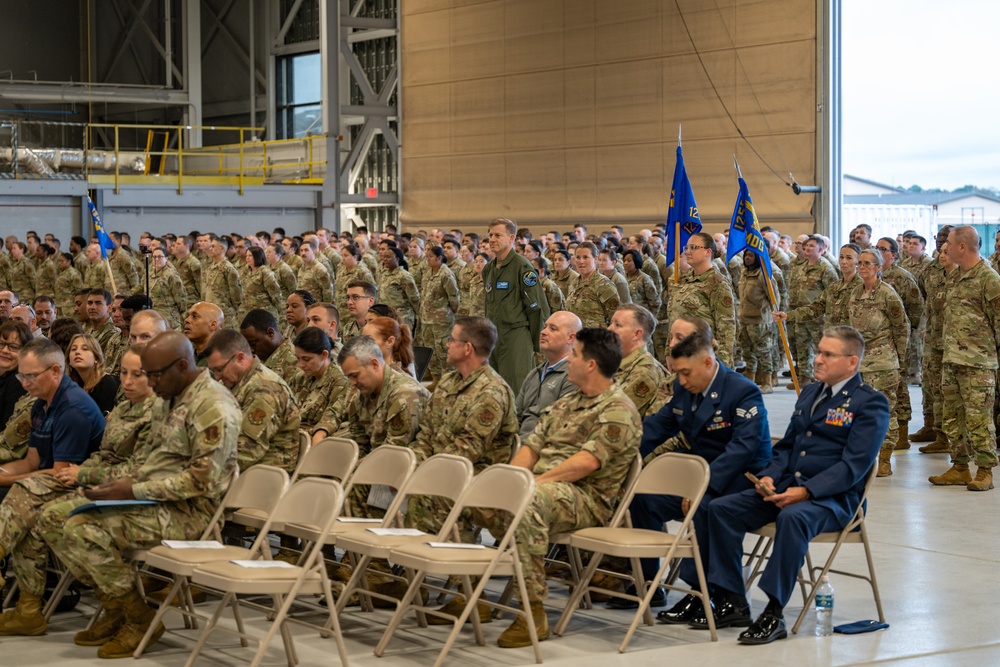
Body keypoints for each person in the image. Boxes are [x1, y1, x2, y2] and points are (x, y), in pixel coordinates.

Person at [39, 331, 241, 658]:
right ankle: (116, 606)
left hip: (189, 512)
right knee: (52, 517)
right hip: (149, 499)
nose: (149, 382)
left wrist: (131, 489)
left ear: (180, 365)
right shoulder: (168, 397)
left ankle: (138, 616)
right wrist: (111, 486)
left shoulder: (213, 406)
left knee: (82, 528)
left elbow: (200, 483)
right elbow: (150, 461)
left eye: (153, 374)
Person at [703, 326, 889, 644]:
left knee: (794, 517)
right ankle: (732, 599)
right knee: (720, 509)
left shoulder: (870, 403)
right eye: (818, 351)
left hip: (835, 501)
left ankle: (773, 613)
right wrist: (770, 476)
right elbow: (788, 447)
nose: (817, 359)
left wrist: (807, 492)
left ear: (852, 361)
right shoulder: (810, 393)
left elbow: (854, 466)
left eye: (827, 354)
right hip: (788, 488)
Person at [484, 327, 641, 648]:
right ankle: (466, 592)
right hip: (545, 491)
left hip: (587, 499)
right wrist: (509, 482)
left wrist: (531, 485)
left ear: (592, 364)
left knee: (529, 503)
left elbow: (586, 463)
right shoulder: (567, 402)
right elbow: (532, 447)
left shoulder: (618, 409)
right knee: (478, 494)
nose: (570, 360)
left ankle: (532, 612)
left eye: (576, 355)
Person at [0, 345, 155, 638]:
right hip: (88, 481)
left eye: (138, 374)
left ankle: (128, 612)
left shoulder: (74, 407)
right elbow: (34, 461)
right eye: (123, 373)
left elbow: (139, 470)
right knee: (32, 512)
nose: (127, 381)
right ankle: (29, 609)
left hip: (111, 490)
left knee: (35, 502)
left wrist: (84, 472)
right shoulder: (122, 409)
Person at [624, 324, 771, 617]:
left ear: (708, 362)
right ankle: (648, 583)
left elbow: (742, 449)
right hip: (698, 476)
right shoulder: (684, 387)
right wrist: (618, 454)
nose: (680, 380)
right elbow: (657, 427)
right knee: (642, 498)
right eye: (677, 373)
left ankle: (715, 594)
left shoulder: (742, 391)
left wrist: (701, 486)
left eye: (686, 373)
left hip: (738, 478)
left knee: (705, 507)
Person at [929, 226, 1000, 491]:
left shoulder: (989, 279)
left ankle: (984, 471)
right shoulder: (955, 276)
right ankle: (959, 467)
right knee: (952, 418)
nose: (944, 247)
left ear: (962, 247)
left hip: (978, 364)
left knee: (979, 420)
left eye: (949, 243)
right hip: (952, 360)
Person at [0, 338, 105, 501]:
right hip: (42, 481)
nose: (25, 384)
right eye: (22, 377)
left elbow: (60, 474)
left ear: (55, 371)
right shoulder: (41, 403)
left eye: (31, 376)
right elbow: (31, 462)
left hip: (70, 490)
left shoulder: (73, 409)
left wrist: (3, 480)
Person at [312, 335, 430, 463]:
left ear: (374, 364)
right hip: (377, 462)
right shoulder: (362, 392)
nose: (352, 383)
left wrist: (349, 471)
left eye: (355, 375)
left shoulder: (404, 395)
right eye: (348, 377)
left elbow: (392, 454)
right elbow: (359, 442)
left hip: (403, 467)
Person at [204, 329, 301, 474]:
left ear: (240, 358)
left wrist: (201, 465)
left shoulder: (265, 389)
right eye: (214, 371)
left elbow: (246, 452)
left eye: (220, 369)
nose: (217, 377)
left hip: (264, 476)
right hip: (244, 471)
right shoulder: (240, 383)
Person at [850, 248, 908, 477]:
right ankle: (863, 457)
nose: (862, 267)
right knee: (857, 413)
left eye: (867, 264)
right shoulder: (855, 292)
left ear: (878, 267)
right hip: (859, 363)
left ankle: (884, 459)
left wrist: (899, 360)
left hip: (883, 364)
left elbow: (902, 328)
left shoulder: (887, 294)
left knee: (884, 412)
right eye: (860, 263)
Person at [483, 218, 550, 395]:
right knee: (494, 387)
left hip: (516, 337)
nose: (492, 239)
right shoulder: (488, 269)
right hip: (494, 337)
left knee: (516, 388)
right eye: (490, 235)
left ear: (511, 238)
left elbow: (537, 308)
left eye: (498, 235)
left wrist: (537, 344)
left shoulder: (523, 267)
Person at [875, 237, 923, 445]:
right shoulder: (872, 276)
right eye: (876, 248)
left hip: (898, 340)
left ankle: (901, 433)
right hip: (876, 343)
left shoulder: (903, 277)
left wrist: (903, 333)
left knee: (899, 385)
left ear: (893, 255)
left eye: (883, 249)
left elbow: (915, 309)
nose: (878, 251)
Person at [668, 233, 737, 367]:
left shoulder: (717, 283)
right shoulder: (683, 280)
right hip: (681, 353)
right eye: (686, 248)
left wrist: (721, 364)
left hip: (703, 355)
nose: (687, 252)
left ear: (708, 252)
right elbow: (674, 316)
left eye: (693, 247)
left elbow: (726, 328)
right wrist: (669, 352)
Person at [915, 230, 955, 453]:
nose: (941, 246)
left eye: (946, 242)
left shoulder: (969, 273)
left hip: (957, 344)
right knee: (932, 388)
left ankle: (956, 439)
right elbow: (923, 296)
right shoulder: (930, 270)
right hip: (933, 339)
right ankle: (938, 433)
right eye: (939, 241)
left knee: (953, 392)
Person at [514, 311, 581, 441]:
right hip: (519, 445)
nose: (543, 332)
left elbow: (559, 427)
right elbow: (514, 419)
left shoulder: (573, 376)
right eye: (545, 326)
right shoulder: (534, 373)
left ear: (570, 338)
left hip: (544, 449)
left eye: (553, 328)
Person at [784, 235, 838, 388]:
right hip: (801, 314)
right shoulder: (801, 266)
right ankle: (805, 377)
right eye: (806, 246)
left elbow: (833, 293)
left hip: (817, 316)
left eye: (811, 247)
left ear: (821, 250)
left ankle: (827, 378)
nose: (807, 249)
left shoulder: (826, 268)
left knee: (822, 348)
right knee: (802, 347)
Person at [607, 304, 666, 418]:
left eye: (618, 325)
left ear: (637, 334)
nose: (609, 329)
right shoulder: (616, 363)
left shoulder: (645, 371)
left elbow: (613, 414)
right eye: (611, 323)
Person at [737, 251, 780, 393]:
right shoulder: (744, 273)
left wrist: (773, 316)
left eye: (751, 255)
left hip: (760, 321)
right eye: (746, 255)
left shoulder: (764, 275)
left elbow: (774, 298)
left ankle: (767, 382)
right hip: (744, 319)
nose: (747, 258)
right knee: (748, 352)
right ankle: (750, 380)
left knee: (764, 352)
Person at [291, 326, 348, 430]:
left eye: (306, 359)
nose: (301, 364)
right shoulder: (300, 378)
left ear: (324, 355)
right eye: (298, 359)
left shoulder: (340, 382)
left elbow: (331, 420)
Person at [417, 245, 460, 381]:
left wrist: (449, 314)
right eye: (426, 257)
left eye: (430, 257)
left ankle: (448, 379)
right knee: (430, 349)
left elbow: (454, 297)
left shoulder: (446, 274)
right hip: (427, 318)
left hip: (442, 320)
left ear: (439, 258)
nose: (427, 259)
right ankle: (435, 377)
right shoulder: (428, 272)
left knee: (443, 350)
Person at [239, 308, 301, 386]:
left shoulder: (294, 361)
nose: (251, 350)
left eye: (253, 343)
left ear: (270, 333)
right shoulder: (263, 356)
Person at [565, 242, 619, 330]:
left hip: (596, 338)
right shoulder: (574, 283)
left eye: (585, 257)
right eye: (578, 257)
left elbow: (615, 316)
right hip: (576, 337)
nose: (581, 261)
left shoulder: (603, 284)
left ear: (595, 259)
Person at [67, 333, 121, 416]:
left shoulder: (107, 383)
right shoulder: (71, 384)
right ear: (69, 361)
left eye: (85, 349)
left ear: (96, 358)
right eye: (73, 349)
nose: (77, 352)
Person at [376, 245, 419, 332]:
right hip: (387, 316)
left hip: (402, 317)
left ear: (397, 259)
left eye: (388, 257)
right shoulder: (384, 274)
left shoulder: (404, 276)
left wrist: (417, 317)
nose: (385, 259)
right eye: (384, 257)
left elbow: (414, 299)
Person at [202, 235, 243, 323]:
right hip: (210, 312)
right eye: (210, 246)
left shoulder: (228, 268)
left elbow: (236, 293)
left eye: (213, 246)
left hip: (225, 313)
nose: (210, 249)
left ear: (222, 249)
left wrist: (234, 310)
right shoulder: (210, 267)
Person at [147, 247, 188, 329]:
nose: (157, 259)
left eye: (160, 257)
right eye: (154, 257)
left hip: (169, 317)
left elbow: (181, 299)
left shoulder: (171, 275)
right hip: (154, 315)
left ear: (166, 258)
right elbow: (142, 287)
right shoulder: (150, 272)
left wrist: (183, 318)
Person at [239, 246, 283, 322]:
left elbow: (276, 294)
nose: (247, 258)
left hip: (264, 311)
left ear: (257, 256)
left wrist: (279, 311)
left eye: (250, 256)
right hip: (248, 311)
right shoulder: (246, 271)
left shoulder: (265, 273)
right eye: (246, 256)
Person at [0, 320, 31, 428]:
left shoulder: (19, 382)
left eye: (13, 347)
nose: (5, 350)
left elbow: (6, 427)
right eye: (1, 344)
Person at [336, 244, 374, 325]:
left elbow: (372, 291)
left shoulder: (363, 272)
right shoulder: (341, 270)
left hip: (354, 314)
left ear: (355, 257)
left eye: (346, 255)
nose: (343, 258)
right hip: (341, 312)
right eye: (342, 255)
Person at [182, 301, 224, 367]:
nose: (187, 320)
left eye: (195, 316)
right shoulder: (188, 356)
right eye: (188, 316)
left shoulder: (221, 359)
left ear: (212, 325)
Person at [296, 236, 335, 303]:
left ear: (313, 251)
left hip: (315, 306)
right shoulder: (302, 268)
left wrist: (325, 308)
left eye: (306, 250)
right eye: (301, 250)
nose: (303, 253)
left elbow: (327, 291)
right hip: (303, 306)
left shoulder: (319, 269)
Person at [622, 249, 660, 314]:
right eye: (624, 261)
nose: (625, 263)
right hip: (627, 313)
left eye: (629, 261)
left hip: (642, 315)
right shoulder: (622, 278)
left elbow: (654, 301)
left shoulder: (645, 278)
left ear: (636, 262)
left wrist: (651, 317)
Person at [169, 235, 202, 305]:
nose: (176, 246)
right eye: (176, 244)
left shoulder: (193, 262)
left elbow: (200, 284)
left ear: (186, 246)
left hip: (190, 299)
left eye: (179, 244)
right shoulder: (176, 262)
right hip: (179, 298)